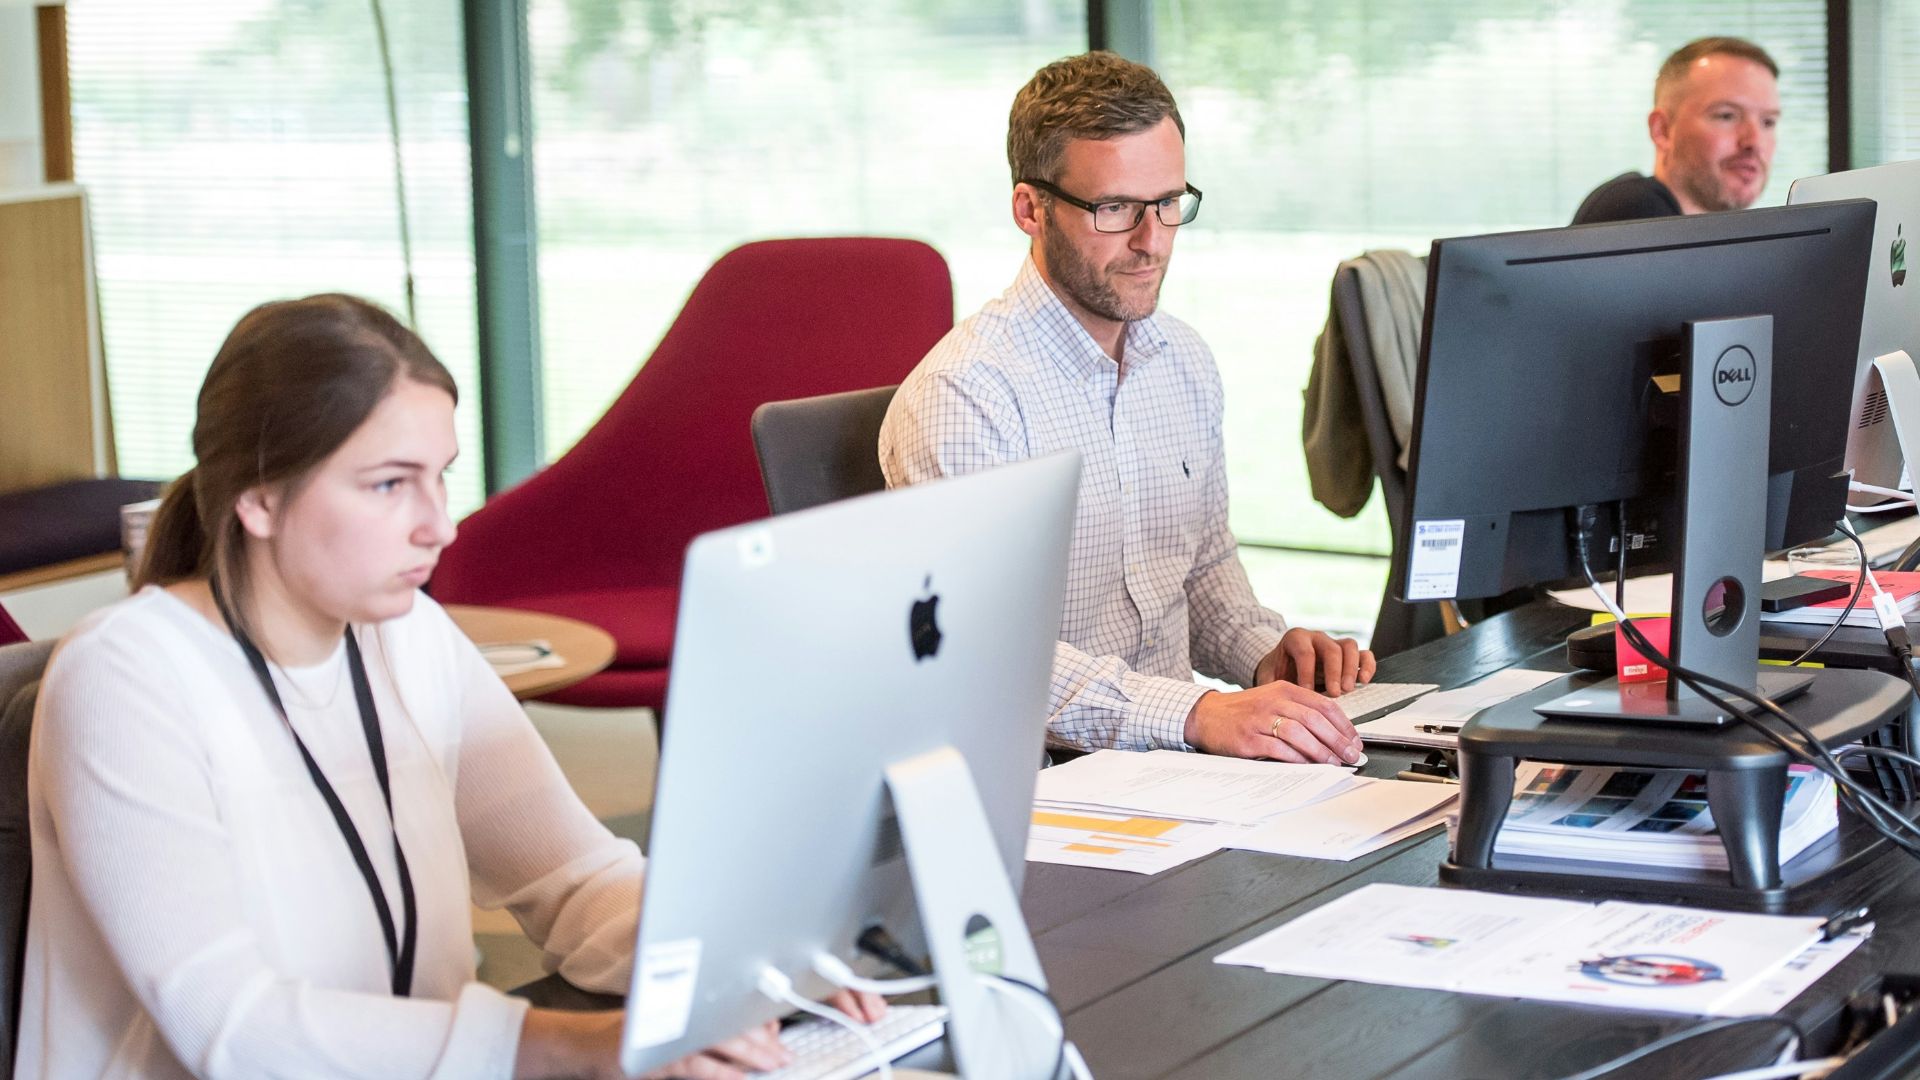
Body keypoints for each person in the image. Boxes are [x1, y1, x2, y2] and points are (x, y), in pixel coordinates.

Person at [17, 295, 878, 1080]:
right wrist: (578, 1050)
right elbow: (234, 1032)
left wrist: (750, 968)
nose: (441, 524)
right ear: (259, 498)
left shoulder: (406, 635)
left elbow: (575, 879)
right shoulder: (126, 678)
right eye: (390, 484)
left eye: (442, 476)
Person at [879, 52, 1372, 767]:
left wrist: (1269, 655)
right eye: (1115, 209)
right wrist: (1202, 711)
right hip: (1047, 789)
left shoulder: (1184, 361)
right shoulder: (966, 397)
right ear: (1030, 208)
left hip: (1176, 769)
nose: (1153, 241)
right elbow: (987, 655)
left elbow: (1200, 570)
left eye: (1169, 203)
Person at [1572, 36, 1780, 225]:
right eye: (1726, 116)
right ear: (1662, 130)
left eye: (1768, 122)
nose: (1754, 141)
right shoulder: (1634, 211)